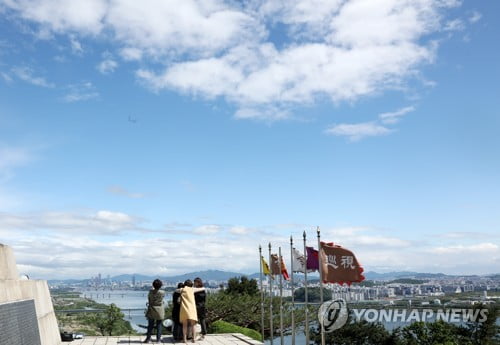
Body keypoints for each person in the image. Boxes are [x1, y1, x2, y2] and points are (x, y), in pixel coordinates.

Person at [143, 279, 165, 344]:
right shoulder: (162, 292)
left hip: (152, 308)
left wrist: (153, 289)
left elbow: (149, 298)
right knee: (159, 325)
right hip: (160, 309)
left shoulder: (150, 292)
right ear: (160, 285)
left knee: (150, 325)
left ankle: (148, 339)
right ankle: (158, 340)